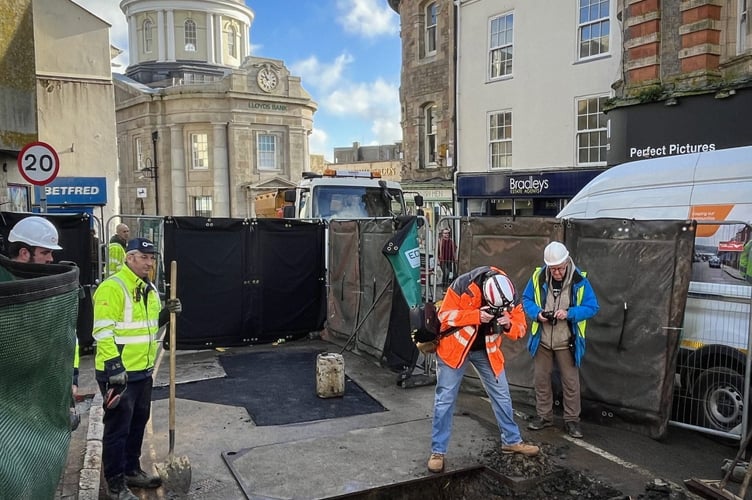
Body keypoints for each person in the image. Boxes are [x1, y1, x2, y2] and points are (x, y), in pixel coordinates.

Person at [93, 237, 182, 500]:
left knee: (137, 423)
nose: (149, 262)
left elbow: (150, 325)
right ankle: (115, 483)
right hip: (118, 374)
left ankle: (131, 469)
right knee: (117, 428)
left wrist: (167, 312)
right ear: (129, 258)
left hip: (142, 370)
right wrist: (113, 366)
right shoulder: (114, 287)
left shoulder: (149, 288)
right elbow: (102, 330)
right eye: (144, 257)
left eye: (152, 258)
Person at [427, 266, 539, 473]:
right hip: (454, 349)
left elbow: (520, 328)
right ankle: (438, 451)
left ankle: (511, 441)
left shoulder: (509, 292)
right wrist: (476, 315)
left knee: (502, 394)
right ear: (485, 294)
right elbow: (444, 317)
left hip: (486, 351)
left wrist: (507, 324)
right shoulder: (462, 285)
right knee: (445, 399)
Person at [5, 216, 80, 426]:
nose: (51, 259)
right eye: (45, 252)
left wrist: (72, 379)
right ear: (24, 252)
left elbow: (67, 336)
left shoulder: (47, 289)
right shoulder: (7, 288)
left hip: (44, 396)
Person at [522, 241, 599, 439]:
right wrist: (537, 314)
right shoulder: (538, 276)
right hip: (543, 340)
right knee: (541, 379)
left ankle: (572, 420)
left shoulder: (580, 280)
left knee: (571, 382)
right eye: (553, 269)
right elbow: (526, 300)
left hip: (567, 341)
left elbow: (592, 307)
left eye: (559, 268)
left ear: (567, 261)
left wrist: (570, 313)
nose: (556, 273)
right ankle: (544, 417)